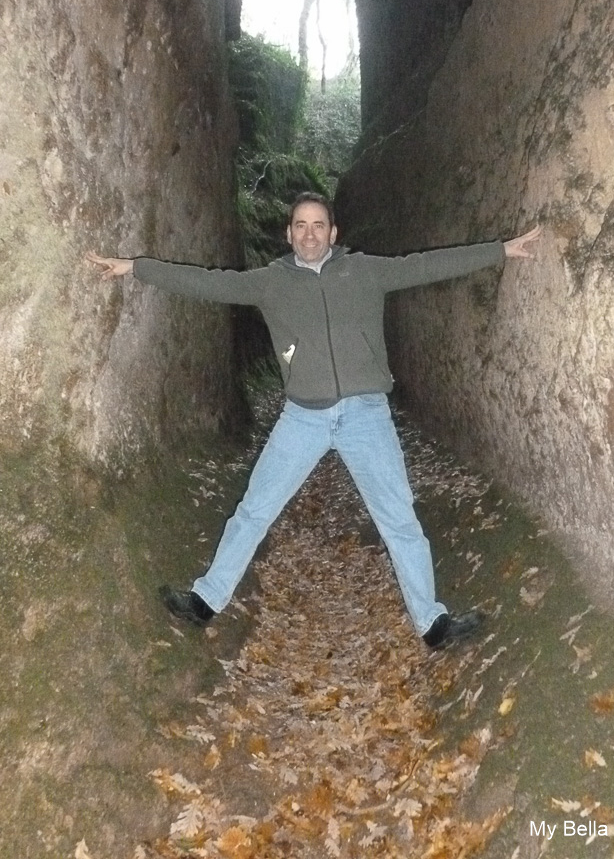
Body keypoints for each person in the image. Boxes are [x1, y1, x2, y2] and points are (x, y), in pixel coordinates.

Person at [87, 193, 541, 649]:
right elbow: (208, 282)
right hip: (303, 417)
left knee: (399, 519)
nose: (309, 234)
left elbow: (426, 265)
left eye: (318, 225)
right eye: (300, 226)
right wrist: (136, 268)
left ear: (333, 232)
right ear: (288, 234)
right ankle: (204, 602)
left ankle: (432, 624)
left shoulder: (365, 270)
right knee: (254, 509)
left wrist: (500, 250)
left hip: (367, 416)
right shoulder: (270, 283)